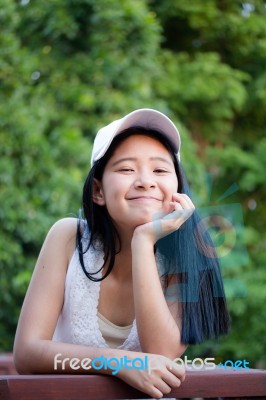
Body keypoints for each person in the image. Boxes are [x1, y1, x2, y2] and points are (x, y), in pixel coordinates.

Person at [13, 109, 230, 399]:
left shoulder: (186, 257)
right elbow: (27, 352)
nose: (145, 181)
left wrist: (143, 240)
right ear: (98, 191)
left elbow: (162, 352)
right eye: (127, 169)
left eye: (160, 170)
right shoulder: (67, 237)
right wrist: (119, 362)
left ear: (177, 188)